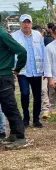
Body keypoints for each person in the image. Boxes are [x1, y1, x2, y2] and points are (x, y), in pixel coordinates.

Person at [12, 14, 45, 128]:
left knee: (37, 95)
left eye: (28, 22)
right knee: (25, 94)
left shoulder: (38, 35)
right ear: (20, 24)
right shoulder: (14, 36)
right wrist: (13, 69)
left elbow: (43, 51)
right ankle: (26, 118)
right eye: (24, 22)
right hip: (22, 71)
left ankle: (36, 119)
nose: (26, 25)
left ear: (31, 23)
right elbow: (12, 53)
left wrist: (45, 68)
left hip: (36, 70)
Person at [0, 21, 27, 149]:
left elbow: (22, 51)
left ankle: (21, 137)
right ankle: (14, 134)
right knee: (5, 107)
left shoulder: (2, 34)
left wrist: (17, 69)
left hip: (4, 77)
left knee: (10, 107)